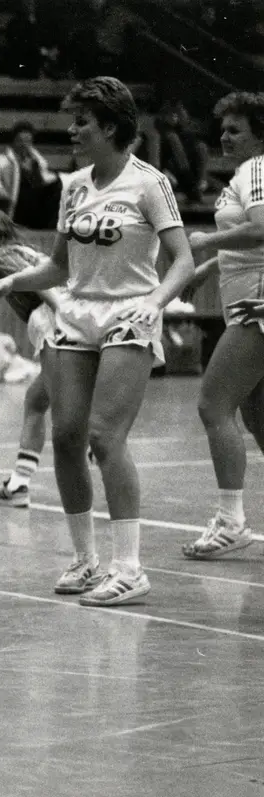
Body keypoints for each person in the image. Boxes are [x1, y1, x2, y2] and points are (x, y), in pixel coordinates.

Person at [0, 77, 195, 607]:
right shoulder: (74, 185)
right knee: (67, 435)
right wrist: (14, 280)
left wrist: (156, 302)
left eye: (82, 122)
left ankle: (130, 569)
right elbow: (58, 266)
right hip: (77, 314)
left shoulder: (149, 183)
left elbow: (184, 261)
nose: (72, 131)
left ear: (112, 127)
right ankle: (85, 560)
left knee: (105, 435)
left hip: (130, 313)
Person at [179, 92, 264, 560]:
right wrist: (209, 268)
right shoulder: (246, 173)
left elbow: (262, 229)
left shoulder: (257, 170)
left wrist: (206, 242)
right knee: (257, 417)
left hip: (258, 305)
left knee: (213, 404)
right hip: (245, 299)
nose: (225, 137)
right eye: (223, 129)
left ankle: (231, 522)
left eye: (236, 129)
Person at [0, 207, 64, 507]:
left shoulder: (1, 256)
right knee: (36, 400)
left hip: (52, 320)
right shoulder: (18, 251)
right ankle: (19, 484)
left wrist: (63, 314)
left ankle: (96, 443)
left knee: (65, 405)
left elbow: (41, 282)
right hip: (55, 317)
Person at [0, 122, 63, 231]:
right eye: (20, 140)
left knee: (60, 185)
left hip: (37, 209)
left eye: (28, 141)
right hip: (15, 209)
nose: (24, 144)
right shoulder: (3, 161)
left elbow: (47, 179)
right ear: (13, 141)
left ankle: (52, 230)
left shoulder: (37, 161)